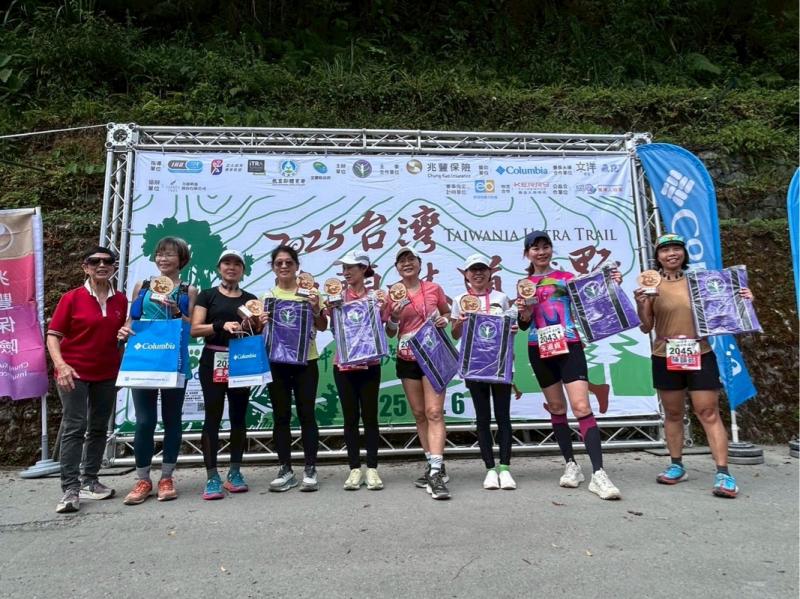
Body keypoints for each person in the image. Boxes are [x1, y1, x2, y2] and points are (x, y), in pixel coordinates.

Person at [634, 233, 753, 498]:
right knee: (673, 413)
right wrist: (642, 304)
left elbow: (726, 309)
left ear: (684, 253)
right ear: (658, 256)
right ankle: (676, 465)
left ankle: (724, 473)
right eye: (665, 250)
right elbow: (646, 326)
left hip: (700, 352)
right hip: (665, 354)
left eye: (676, 248)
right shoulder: (651, 284)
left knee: (708, 412)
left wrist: (743, 300)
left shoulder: (701, 281)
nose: (671, 254)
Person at [516, 231, 621, 500]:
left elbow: (592, 301)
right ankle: (571, 465)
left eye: (545, 247)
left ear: (551, 250)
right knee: (556, 407)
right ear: (527, 254)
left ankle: (599, 473)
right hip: (539, 348)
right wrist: (524, 312)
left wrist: (612, 285)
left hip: (569, 345)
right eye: (535, 248)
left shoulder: (567, 278)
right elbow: (524, 324)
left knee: (582, 406)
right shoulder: (524, 284)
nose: (541, 252)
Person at [47, 246, 128, 514]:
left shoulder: (121, 301)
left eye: (107, 261)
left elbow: (121, 337)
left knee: (98, 427)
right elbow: (53, 336)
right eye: (95, 262)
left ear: (114, 267)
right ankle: (70, 489)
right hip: (74, 372)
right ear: (85, 267)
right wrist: (61, 365)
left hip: (107, 373)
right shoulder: (71, 298)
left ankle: (90, 481)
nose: (101, 265)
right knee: (75, 426)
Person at [117, 237, 197, 505]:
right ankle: (142, 479)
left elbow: (192, 327)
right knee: (144, 421)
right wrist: (124, 330)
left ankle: (166, 477)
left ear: (181, 259)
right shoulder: (142, 286)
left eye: (170, 254)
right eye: (160, 254)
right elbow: (132, 319)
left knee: (172, 420)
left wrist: (175, 311)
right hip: (144, 360)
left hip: (174, 361)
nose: (163, 259)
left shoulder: (188, 290)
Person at [190, 249, 264, 500]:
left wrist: (256, 325)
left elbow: (256, 332)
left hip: (241, 360)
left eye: (237, 264)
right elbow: (195, 329)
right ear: (219, 268)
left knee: (238, 417)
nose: (231, 267)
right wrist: (220, 325)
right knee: (212, 417)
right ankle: (212, 476)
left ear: (243, 270)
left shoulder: (251, 299)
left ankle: (235, 472)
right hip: (213, 358)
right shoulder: (207, 295)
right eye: (226, 263)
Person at [384, 246, 452, 500]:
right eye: (402, 260)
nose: (407, 263)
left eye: (411, 259)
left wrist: (446, 320)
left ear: (420, 264)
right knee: (420, 413)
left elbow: (446, 312)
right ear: (397, 268)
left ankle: (435, 471)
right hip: (407, 356)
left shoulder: (434, 289)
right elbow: (390, 331)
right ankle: (433, 463)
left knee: (434, 411)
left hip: (433, 353)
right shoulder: (393, 294)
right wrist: (394, 316)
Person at [451, 254, 518, 490]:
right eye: (473, 270)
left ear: (490, 273)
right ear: (466, 275)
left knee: (503, 417)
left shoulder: (502, 298)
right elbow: (455, 334)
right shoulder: (459, 300)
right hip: (474, 365)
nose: (478, 273)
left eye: (482, 269)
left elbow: (511, 328)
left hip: (499, 364)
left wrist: (512, 329)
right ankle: (490, 469)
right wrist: (459, 323)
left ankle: (505, 468)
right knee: (482, 418)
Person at [265, 245, 328, 493]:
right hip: (277, 363)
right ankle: (285, 469)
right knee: (281, 416)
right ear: (273, 267)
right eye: (279, 262)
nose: (284, 266)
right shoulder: (267, 297)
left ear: (296, 266)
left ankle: (310, 468)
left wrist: (315, 308)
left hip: (306, 361)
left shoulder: (311, 293)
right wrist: (260, 322)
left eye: (288, 262)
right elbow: (261, 331)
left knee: (306, 414)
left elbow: (322, 325)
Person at [328, 251, 386, 490]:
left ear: (364, 269)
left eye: (351, 267)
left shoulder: (376, 297)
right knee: (350, 418)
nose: (346, 272)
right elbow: (330, 328)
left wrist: (387, 310)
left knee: (370, 417)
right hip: (343, 365)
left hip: (369, 365)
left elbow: (387, 326)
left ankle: (372, 468)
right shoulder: (336, 298)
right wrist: (325, 308)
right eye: (344, 268)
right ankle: (354, 468)